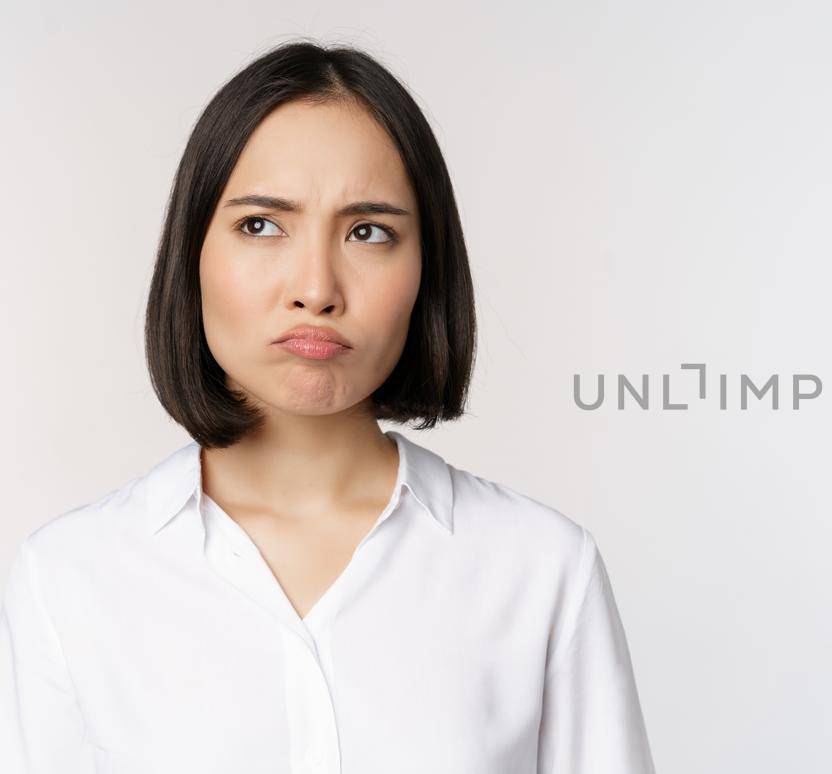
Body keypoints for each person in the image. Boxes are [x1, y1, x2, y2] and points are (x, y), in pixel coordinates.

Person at [0, 40, 655, 773]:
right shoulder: (70, 578)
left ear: (426, 271)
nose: (316, 287)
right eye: (261, 225)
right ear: (191, 254)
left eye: (368, 232)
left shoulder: (539, 571)